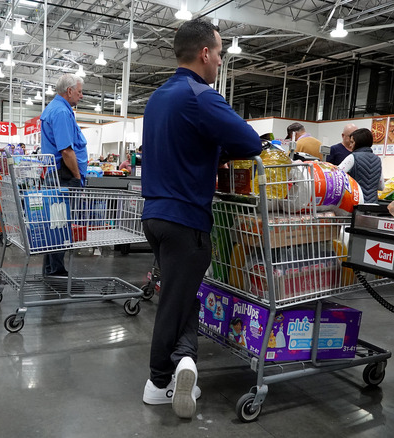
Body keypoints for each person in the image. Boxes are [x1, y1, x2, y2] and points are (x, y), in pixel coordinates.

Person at [140, 18, 262, 419]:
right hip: (185, 220)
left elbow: (181, 147)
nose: (221, 61)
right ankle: (158, 382)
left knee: (183, 294)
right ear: (205, 53)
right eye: (221, 53)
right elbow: (247, 140)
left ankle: (184, 360)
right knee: (174, 302)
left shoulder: (158, 97)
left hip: (155, 215)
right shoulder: (201, 95)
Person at [40, 73, 88, 276]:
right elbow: (67, 150)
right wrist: (77, 177)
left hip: (56, 174)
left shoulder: (55, 108)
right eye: (79, 92)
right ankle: (56, 272)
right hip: (63, 175)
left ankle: (51, 268)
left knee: (55, 222)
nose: (81, 96)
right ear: (69, 91)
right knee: (60, 224)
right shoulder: (61, 112)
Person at [339, 128, 383, 203]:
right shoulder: (378, 160)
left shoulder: (353, 157)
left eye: (352, 142)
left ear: (358, 143)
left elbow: (337, 175)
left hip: (356, 203)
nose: (350, 145)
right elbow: (381, 187)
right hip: (373, 204)